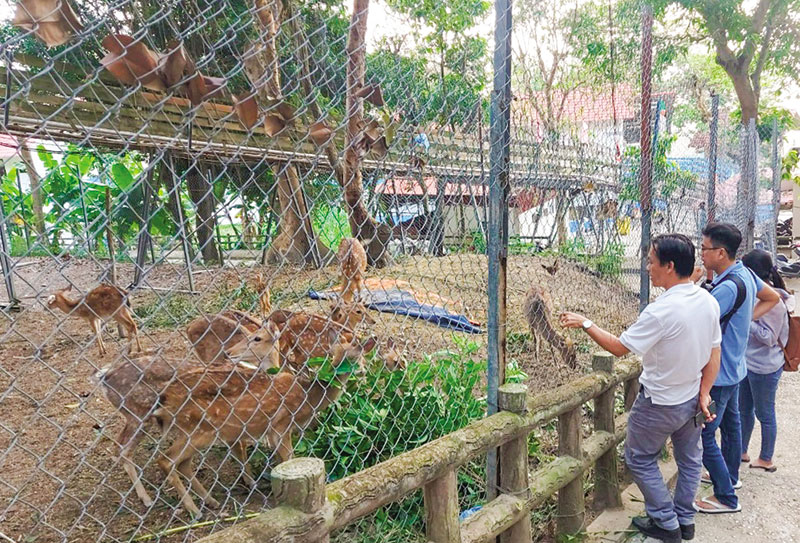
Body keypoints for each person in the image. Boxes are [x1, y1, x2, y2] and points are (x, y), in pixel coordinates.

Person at [560, 234, 721, 543]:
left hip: (659, 402)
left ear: (670, 266)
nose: (647, 267)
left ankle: (665, 521)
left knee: (638, 458)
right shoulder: (707, 301)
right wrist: (704, 392)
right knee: (689, 460)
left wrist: (585, 323)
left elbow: (620, 348)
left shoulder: (662, 310)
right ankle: (685, 521)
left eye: (650, 261)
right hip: (691, 398)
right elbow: (715, 353)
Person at [694, 223, 780, 514]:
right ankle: (730, 479)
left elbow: (698, 320)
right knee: (731, 429)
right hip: (735, 368)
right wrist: (743, 322)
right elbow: (773, 297)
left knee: (704, 435)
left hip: (718, 374)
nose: (701, 254)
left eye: (704, 249)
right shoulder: (745, 273)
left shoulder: (728, 287)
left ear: (720, 252)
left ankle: (726, 496)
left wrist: (692, 286)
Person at [740, 249, 792, 473]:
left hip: (766, 367)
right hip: (750, 363)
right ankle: (741, 450)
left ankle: (767, 457)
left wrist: (746, 320)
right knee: (744, 410)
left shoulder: (773, 301)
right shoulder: (760, 295)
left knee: (765, 413)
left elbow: (769, 338)